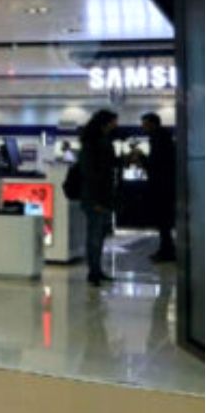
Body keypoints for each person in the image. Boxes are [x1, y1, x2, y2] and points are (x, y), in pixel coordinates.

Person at [78, 109, 118, 286]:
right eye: (114, 121)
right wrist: (95, 200)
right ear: (106, 123)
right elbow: (90, 173)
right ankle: (93, 272)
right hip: (95, 197)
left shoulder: (102, 141)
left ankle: (97, 270)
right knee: (94, 236)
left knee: (99, 235)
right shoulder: (93, 144)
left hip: (103, 196)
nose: (116, 125)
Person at [140, 112, 176, 262]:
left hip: (162, 187)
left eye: (145, 124)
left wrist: (142, 158)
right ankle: (166, 249)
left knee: (163, 221)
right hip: (165, 185)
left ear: (152, 124)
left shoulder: (158, 138)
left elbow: (156, 164)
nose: (143, 127)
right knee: (164, 221)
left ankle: (167, 251)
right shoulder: (162, 136)